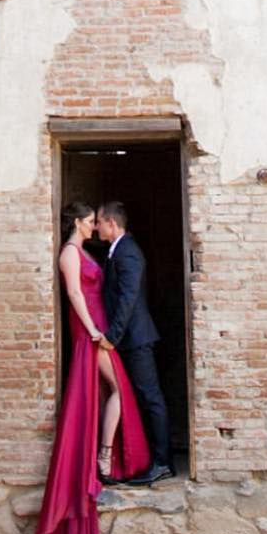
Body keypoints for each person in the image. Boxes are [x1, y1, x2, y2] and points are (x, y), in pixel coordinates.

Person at [34, 201, 150, 534]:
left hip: (97, 326)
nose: (93, 227)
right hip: (90, 330)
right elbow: (73, 295)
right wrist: (92, 329)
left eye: (95, 222)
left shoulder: (83, 250)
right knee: (118, 388)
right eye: (88, 222)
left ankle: (105, 454)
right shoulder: (69, 252)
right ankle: (102, 455)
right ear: (77, 223)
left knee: (114, 390)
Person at [96, 200, 173, 485]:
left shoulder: (127, 252)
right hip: (129, 340)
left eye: (99, 222)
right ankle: (146, 459)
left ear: (112, 224)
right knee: (142, 398)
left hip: (136, 339)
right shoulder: (116, 251)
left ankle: (162, 462)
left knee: (151, 398)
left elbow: (128, 300)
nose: (95, 226)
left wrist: (112, 337)